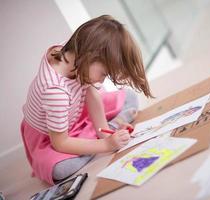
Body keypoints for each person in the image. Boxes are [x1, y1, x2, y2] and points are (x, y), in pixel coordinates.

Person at [20, 15, 153, 185]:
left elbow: (91, 93)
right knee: (60, 170)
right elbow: (60, 143)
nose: (103, 81)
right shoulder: (55, 92)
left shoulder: (74, 54)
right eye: (104, 74)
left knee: (130, 97)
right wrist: (106, 146)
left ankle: (97, 135)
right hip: (52, 136)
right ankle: (96, 140)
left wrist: (104, 132)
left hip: (76, 111)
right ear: (89, 57)